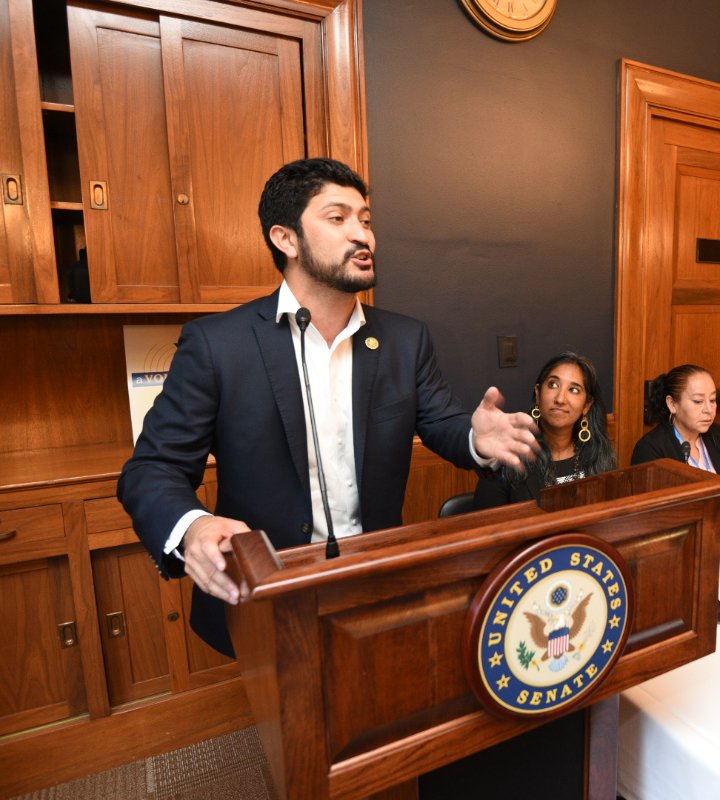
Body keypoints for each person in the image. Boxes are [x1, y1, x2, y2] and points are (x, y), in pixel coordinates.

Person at [117, 158, 539, 657]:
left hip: (375, 579)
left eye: (365, 219)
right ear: (286, 239)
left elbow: (444, 422)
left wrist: (475, 440)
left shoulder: (406, 339)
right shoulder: (218, 345)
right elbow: (152, 469)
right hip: (272, 589)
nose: (363, 235)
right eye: (338, 218)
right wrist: (194, 526)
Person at [474, 352, 616, 508]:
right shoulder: (507, 456)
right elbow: (485, 527)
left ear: (586, 405)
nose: (560, 399)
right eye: (553, 385)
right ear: (538, 393)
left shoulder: (601, 457)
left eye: (574, 390)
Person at [631, 364, 720, 538]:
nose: (708, 409)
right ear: (672, 404)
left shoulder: (718, 435)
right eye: (698, 401)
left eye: (712, 400)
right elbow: (656, 520)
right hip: (688, 540)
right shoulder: (651, 449)